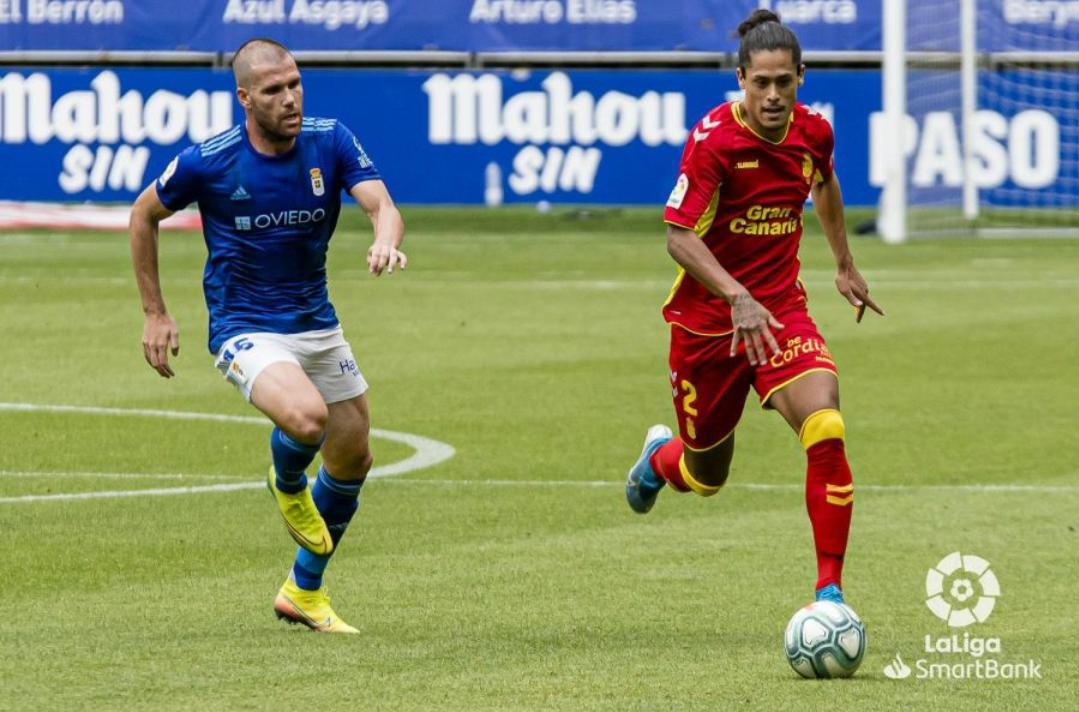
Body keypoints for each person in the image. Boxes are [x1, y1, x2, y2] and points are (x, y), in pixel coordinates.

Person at [129, 38, 406, 633]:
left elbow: (380, 203)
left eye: (296, 84)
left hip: (316, 321)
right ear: (245, 97)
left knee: (354, 454)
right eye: (275, 90)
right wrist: (155, 311)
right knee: (307, 420)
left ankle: (303, 591)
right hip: (244, 326)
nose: (290, 99)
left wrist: (385, 235)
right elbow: (143, 214)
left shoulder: (329, 139)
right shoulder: (211, 160)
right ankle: (285, 481)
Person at [625, 10, 883, 605]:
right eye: (760, 83)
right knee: (703, 476)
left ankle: (830, 596)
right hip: (707, 324)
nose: (772, 95)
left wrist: (843, 263)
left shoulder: (814, 133)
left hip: (780, 312)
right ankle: (656, 462)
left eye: (783, 83)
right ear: (741, 78)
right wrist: (736, 296)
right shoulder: (712, 142)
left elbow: (824, 182)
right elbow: (678, 235)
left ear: (801, 78)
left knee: (826, 425)